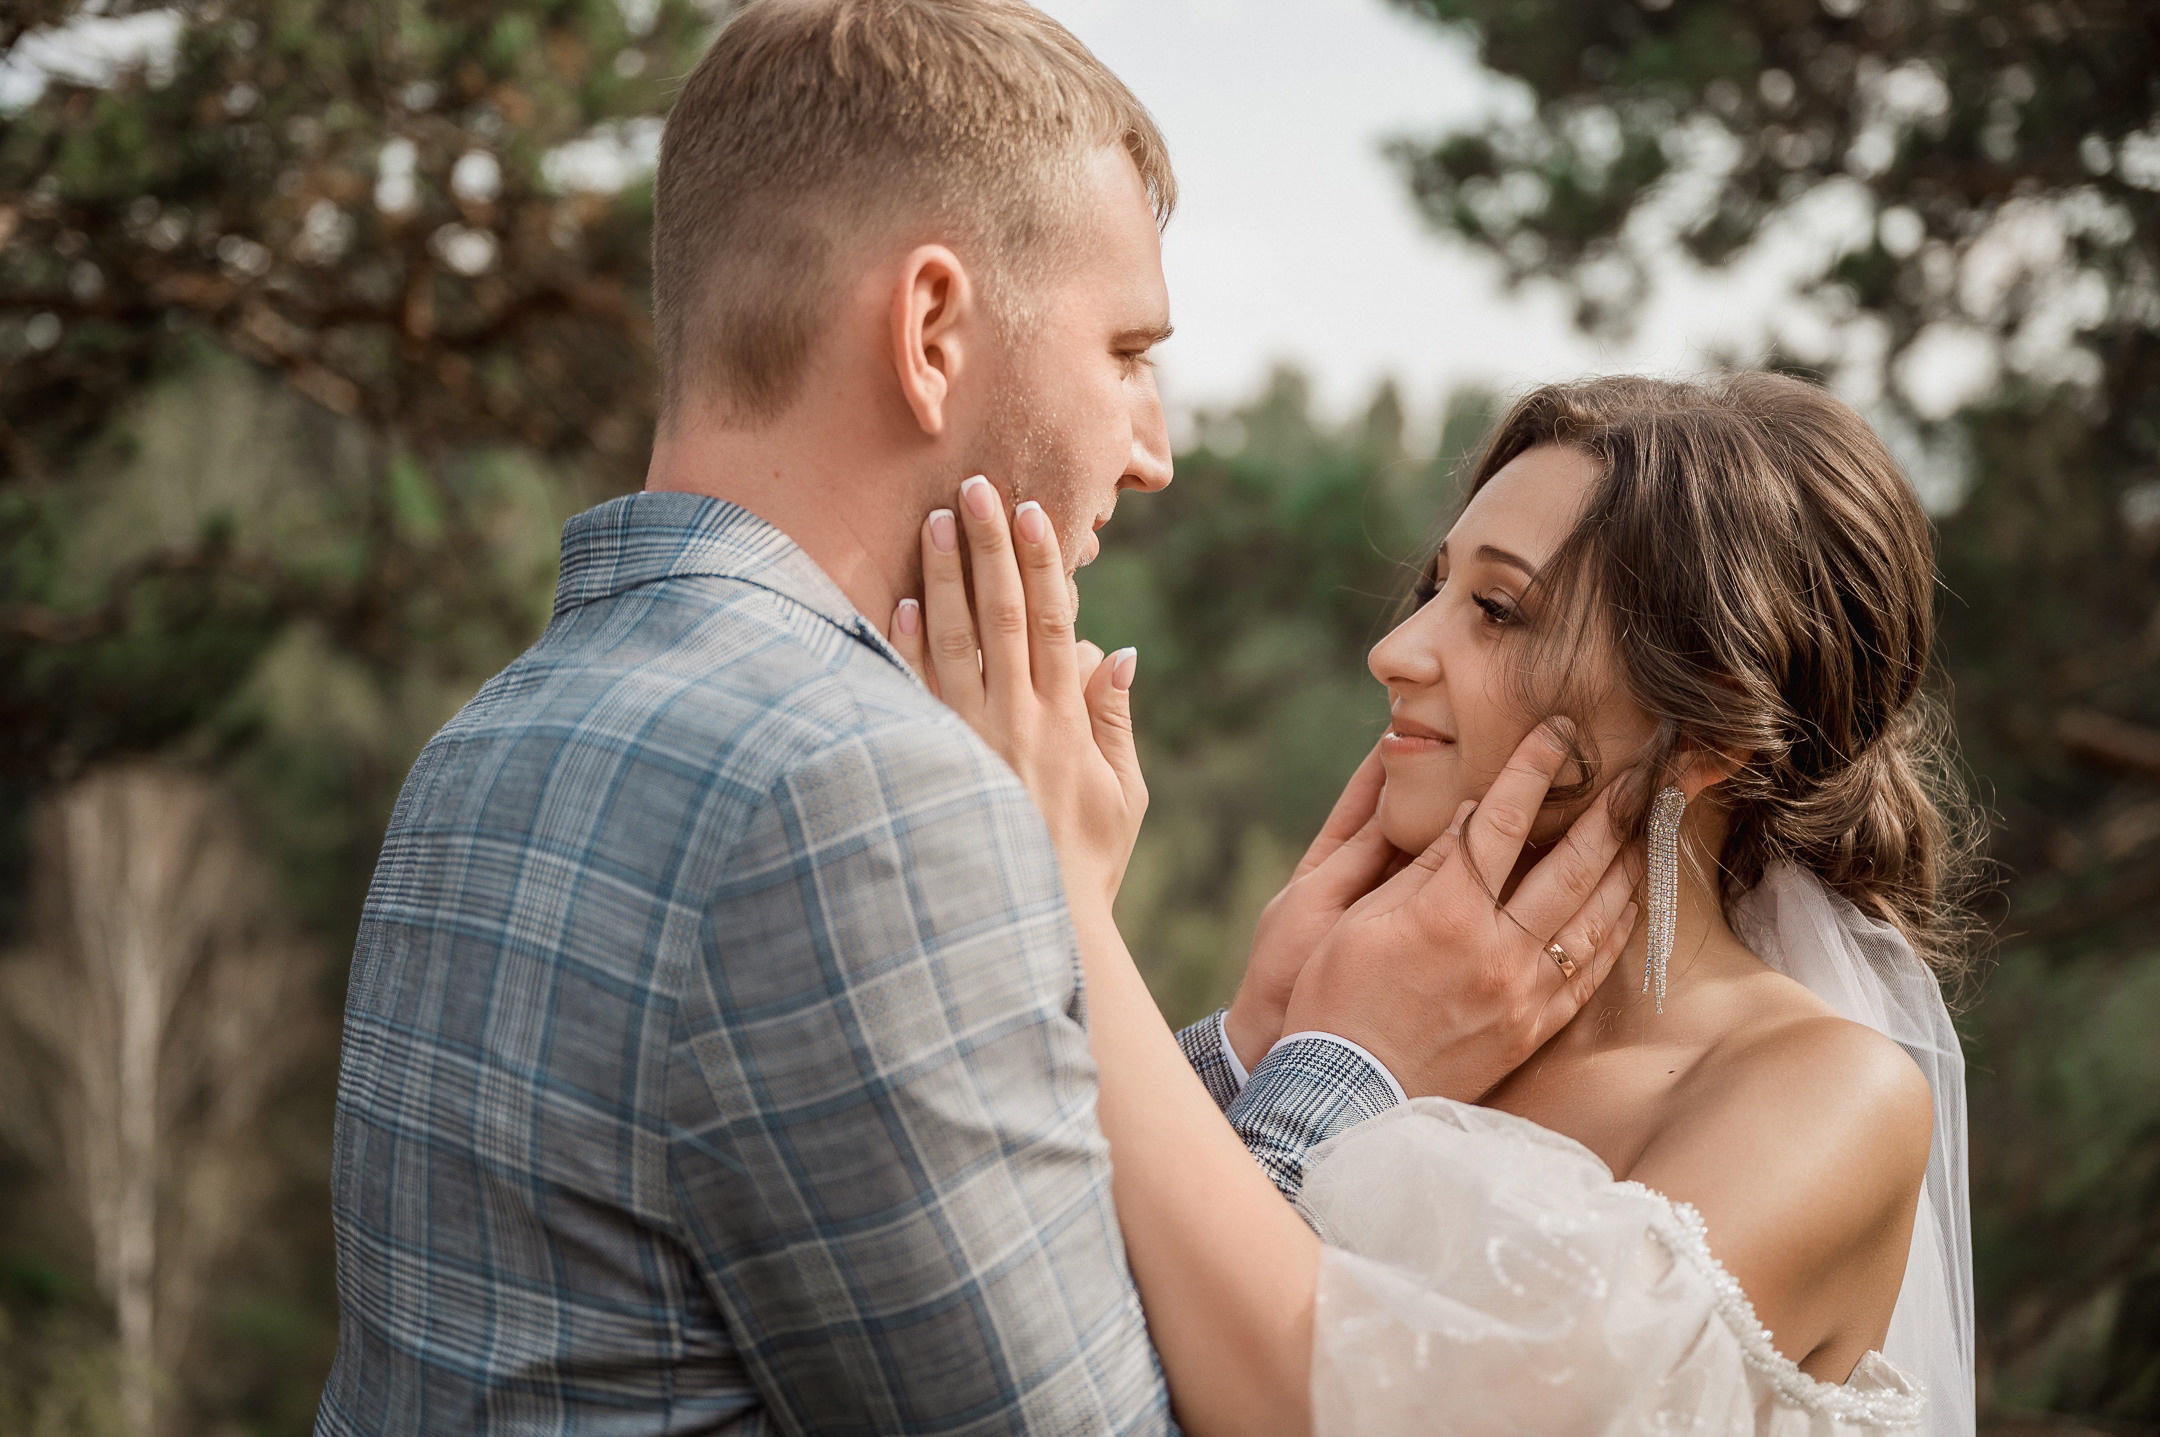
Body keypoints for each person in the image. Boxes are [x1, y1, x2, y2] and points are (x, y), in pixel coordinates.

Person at [313, 2, 1636, 1431]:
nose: (1156, 452)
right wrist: (1348, 1072)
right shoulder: (849, 793)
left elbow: (926, 1232)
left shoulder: (497, 729)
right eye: (1128, 352)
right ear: (933, 328)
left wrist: (1245, 1044)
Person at [897, 371, 1977, 1436]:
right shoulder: (1395, 1000)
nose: (1394, 651)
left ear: (1706, 740)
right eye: (1436, 592)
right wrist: (1254, 1038)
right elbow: (1053, 1338)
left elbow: (1340, 1407)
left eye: (1498, 610)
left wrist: (1064, 902)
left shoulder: (1832, 1098)